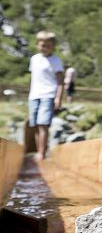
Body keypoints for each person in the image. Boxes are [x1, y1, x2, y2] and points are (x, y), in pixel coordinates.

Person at [28, 30, 64, 161]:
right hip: (34, 95)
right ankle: (39, 150)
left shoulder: (56, 61)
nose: (45, 48)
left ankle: (42, 154)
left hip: (48, 94)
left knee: (43, 124)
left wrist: (58, 98)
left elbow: (60, 81)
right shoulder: (34, 59)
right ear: (38, 44)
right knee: (36, 125)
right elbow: (34, 78)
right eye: (43, 45)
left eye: (48, 45)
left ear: (53, 46)